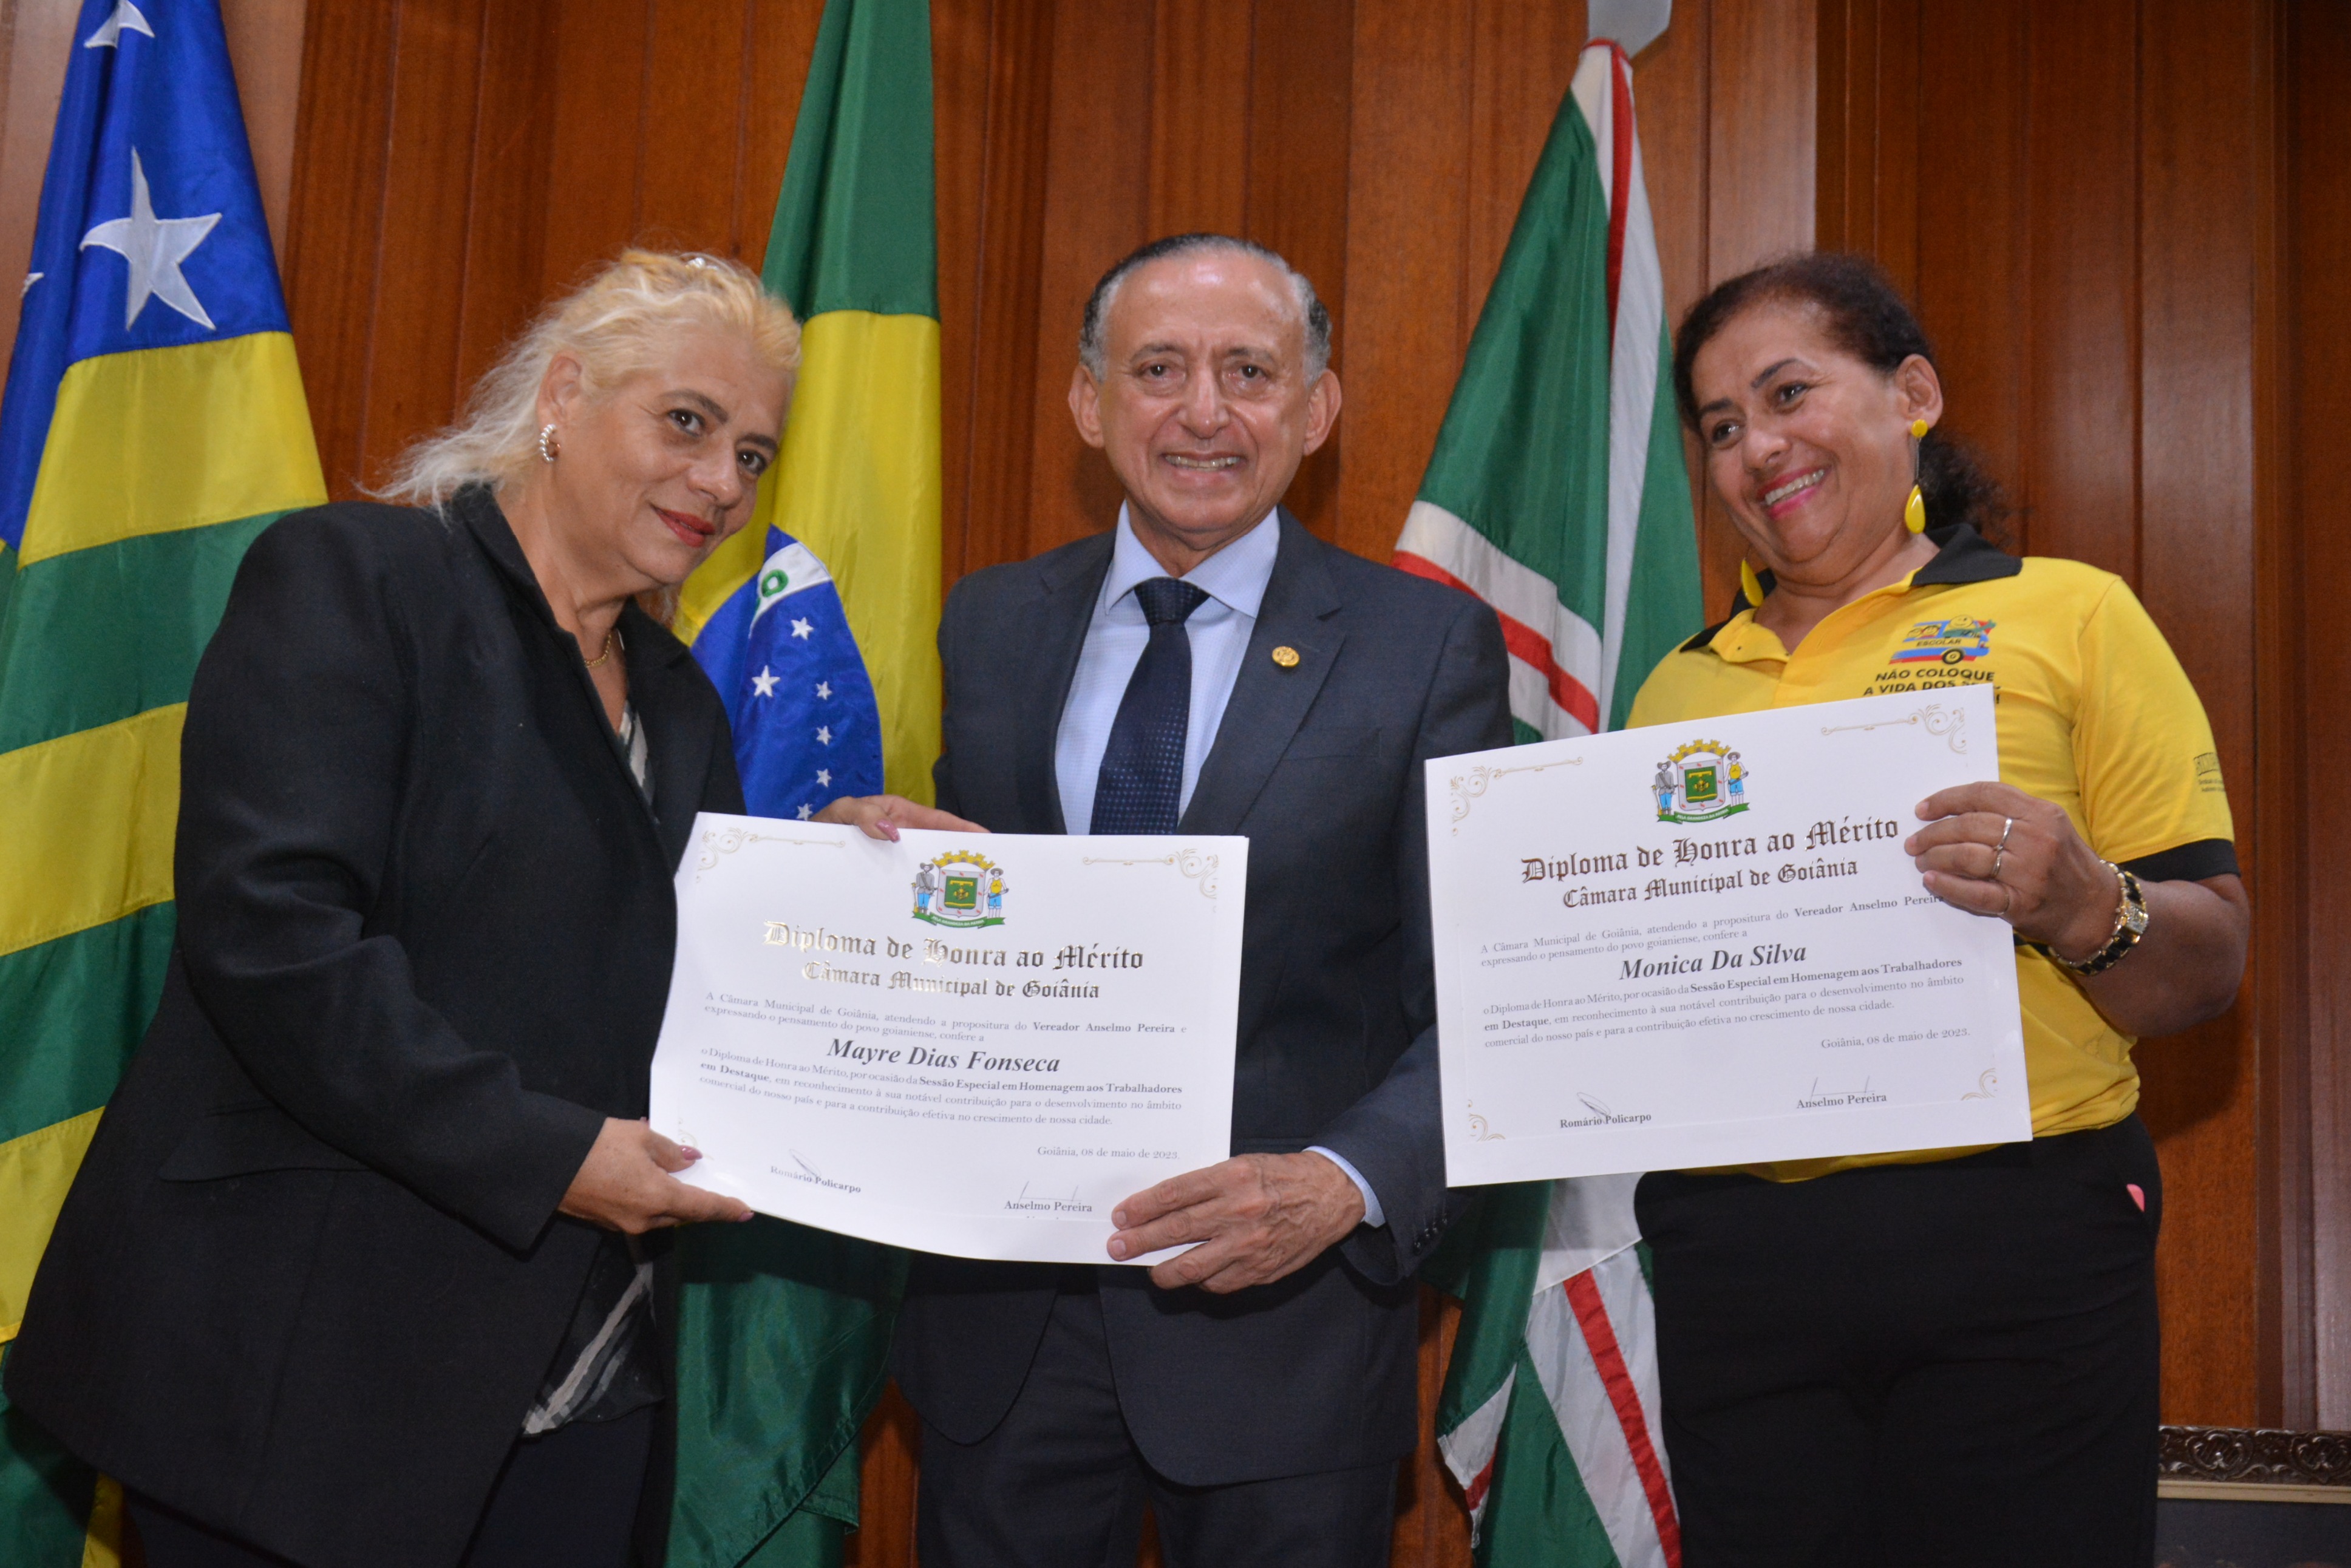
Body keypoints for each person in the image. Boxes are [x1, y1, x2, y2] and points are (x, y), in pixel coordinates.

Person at [2, 251, 795, 1568]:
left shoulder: (680, 699)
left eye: (753, 454)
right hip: (302, 1377)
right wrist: (547, 1154)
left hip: (582, 1386)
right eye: (687, 422)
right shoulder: (359, 579)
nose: (721, 481)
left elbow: (686, 961)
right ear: (562, 395)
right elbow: (275, 940)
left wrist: (844, 878)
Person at [818, 234, 1511, 1567]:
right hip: (1005, 1335)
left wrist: (1345, 1185)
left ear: (1315, 409)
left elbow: (1486, 1000)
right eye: (1158, 370)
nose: (1204, 411)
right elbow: (978, 933)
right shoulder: (992, 622)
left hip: (1284, 1331)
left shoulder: (1424, 649)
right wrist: (858, 873)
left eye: (1249, 371)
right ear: (1090, 404)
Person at [1626, 252, 2248, 1567]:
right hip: (1736, 1252)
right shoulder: (1675, 692)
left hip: (2016, 1233)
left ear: (1911, 393)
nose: (1757, 447)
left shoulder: (2070, 614)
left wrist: (2085, 904)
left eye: (1788, 393)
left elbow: (2210, 961)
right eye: (1721, 427)